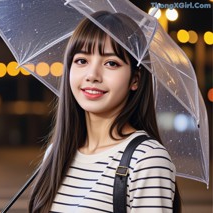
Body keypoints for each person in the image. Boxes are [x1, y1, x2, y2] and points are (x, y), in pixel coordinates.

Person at [29, 11, 181, 213]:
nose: (92, 75)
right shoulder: (56, 154)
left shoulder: (147, 160)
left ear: (135, 79)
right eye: (82, 60)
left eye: (111, 63)